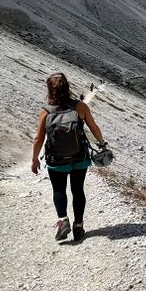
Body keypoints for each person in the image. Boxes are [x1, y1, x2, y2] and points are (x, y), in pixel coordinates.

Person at [31, 73, 106, 242]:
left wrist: (35, 159)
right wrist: (102, 144)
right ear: (68, 87)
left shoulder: (45, 112)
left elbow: (38, 138)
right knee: (78, 190)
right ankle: (78, 226)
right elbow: (94, 128)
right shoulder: (80, 107)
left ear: (50, 90)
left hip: (56, 160)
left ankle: (62, 220)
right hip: (79, 157)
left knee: (59, 190)